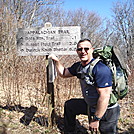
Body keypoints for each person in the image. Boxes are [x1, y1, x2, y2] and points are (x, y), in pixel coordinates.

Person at [49, 39, 120, 134]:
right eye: (80, 49)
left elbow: (104, 96)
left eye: (86, 49)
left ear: (92, 50)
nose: (83, 51)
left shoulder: (100, 69)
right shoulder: (79, 66)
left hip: (107, 109)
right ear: (77, 51)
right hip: (91, 105)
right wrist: (56, 61)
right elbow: (63, 73)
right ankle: (69, 131)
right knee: (70, 106)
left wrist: (96, 119)